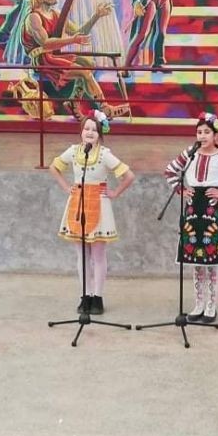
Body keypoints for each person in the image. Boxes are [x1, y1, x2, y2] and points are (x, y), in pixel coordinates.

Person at [163, 112, 218, 323]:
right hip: (193, 208)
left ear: (216, 135)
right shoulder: (190, 153)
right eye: (199, 132)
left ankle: (211, 306)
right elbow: (170, 171)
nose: (202, 136)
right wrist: (182, 190)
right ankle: (198, 304)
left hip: (213, 210)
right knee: (195, 258)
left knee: (212, 259)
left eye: (206, 132)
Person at [49, 111, 135, 315]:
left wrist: (114, 193)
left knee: (98, 253)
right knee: (81, 254)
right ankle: (85, 295)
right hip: (78, 202)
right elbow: (54, 167)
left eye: (94, 130)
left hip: (98, 202)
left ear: (100, 134)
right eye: (86, 129)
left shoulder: (105, 154)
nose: (89, 132)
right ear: (81, 131)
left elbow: (129, 176)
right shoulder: (73, 151)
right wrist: (66, 187)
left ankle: (97, 296)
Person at [21, 0, 130, 118]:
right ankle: (105, 108)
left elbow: (79, 32)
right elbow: (46, 43)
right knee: (85, 73)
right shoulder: (33, 17)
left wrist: (96, 15)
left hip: (54, 55)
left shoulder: (56, 14)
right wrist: (73, 40)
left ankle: (73, 102)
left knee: (89, 64)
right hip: (42, 59)